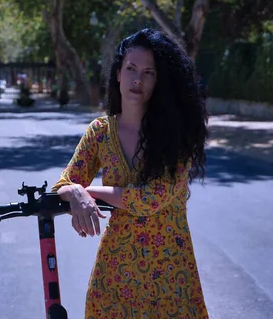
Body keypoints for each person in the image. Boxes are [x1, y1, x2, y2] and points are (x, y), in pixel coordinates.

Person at [53, 28, 209, 318]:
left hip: (170, 276)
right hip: (116, 273)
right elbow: (64, 183)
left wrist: (87, 192)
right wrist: (74, 191)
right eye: (131, 69)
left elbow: (150, 200)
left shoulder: (177, 135)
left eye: (149, 73)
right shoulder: (100, 132)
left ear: (159, 81)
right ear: (117, 74)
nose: (138, 79)